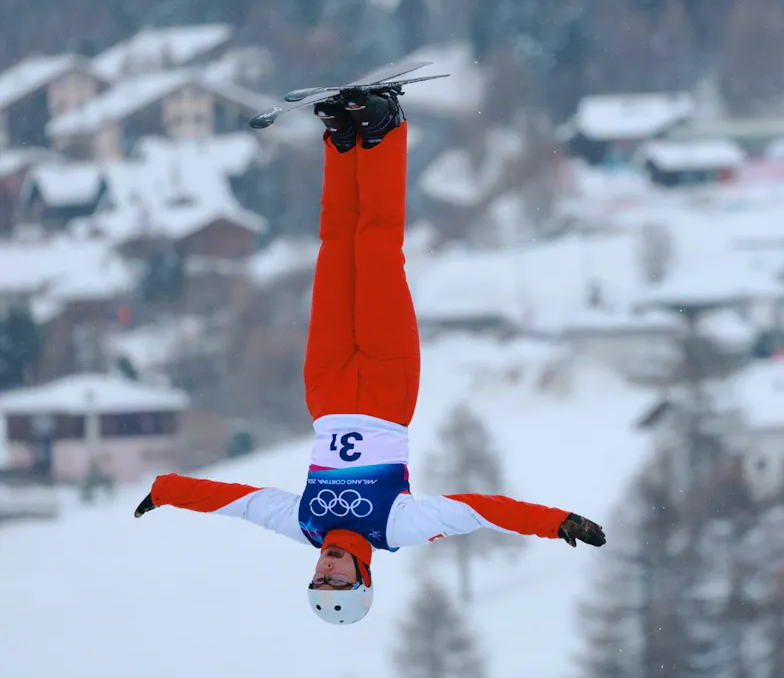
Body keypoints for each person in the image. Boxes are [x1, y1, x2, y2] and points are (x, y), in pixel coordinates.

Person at [132, 87, 606, 626]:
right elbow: (479, 510)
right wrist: (557, 521)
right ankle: (381, 130)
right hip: (386, 390)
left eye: (319, 579)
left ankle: (342, 140)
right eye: (340, 580)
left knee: (336, 250)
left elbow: (234, 501)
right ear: (363, 575)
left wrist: (166, 490)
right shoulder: (396, 528)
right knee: (376, 249)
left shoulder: (304, 523)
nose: (327, 570)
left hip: (327, 391)